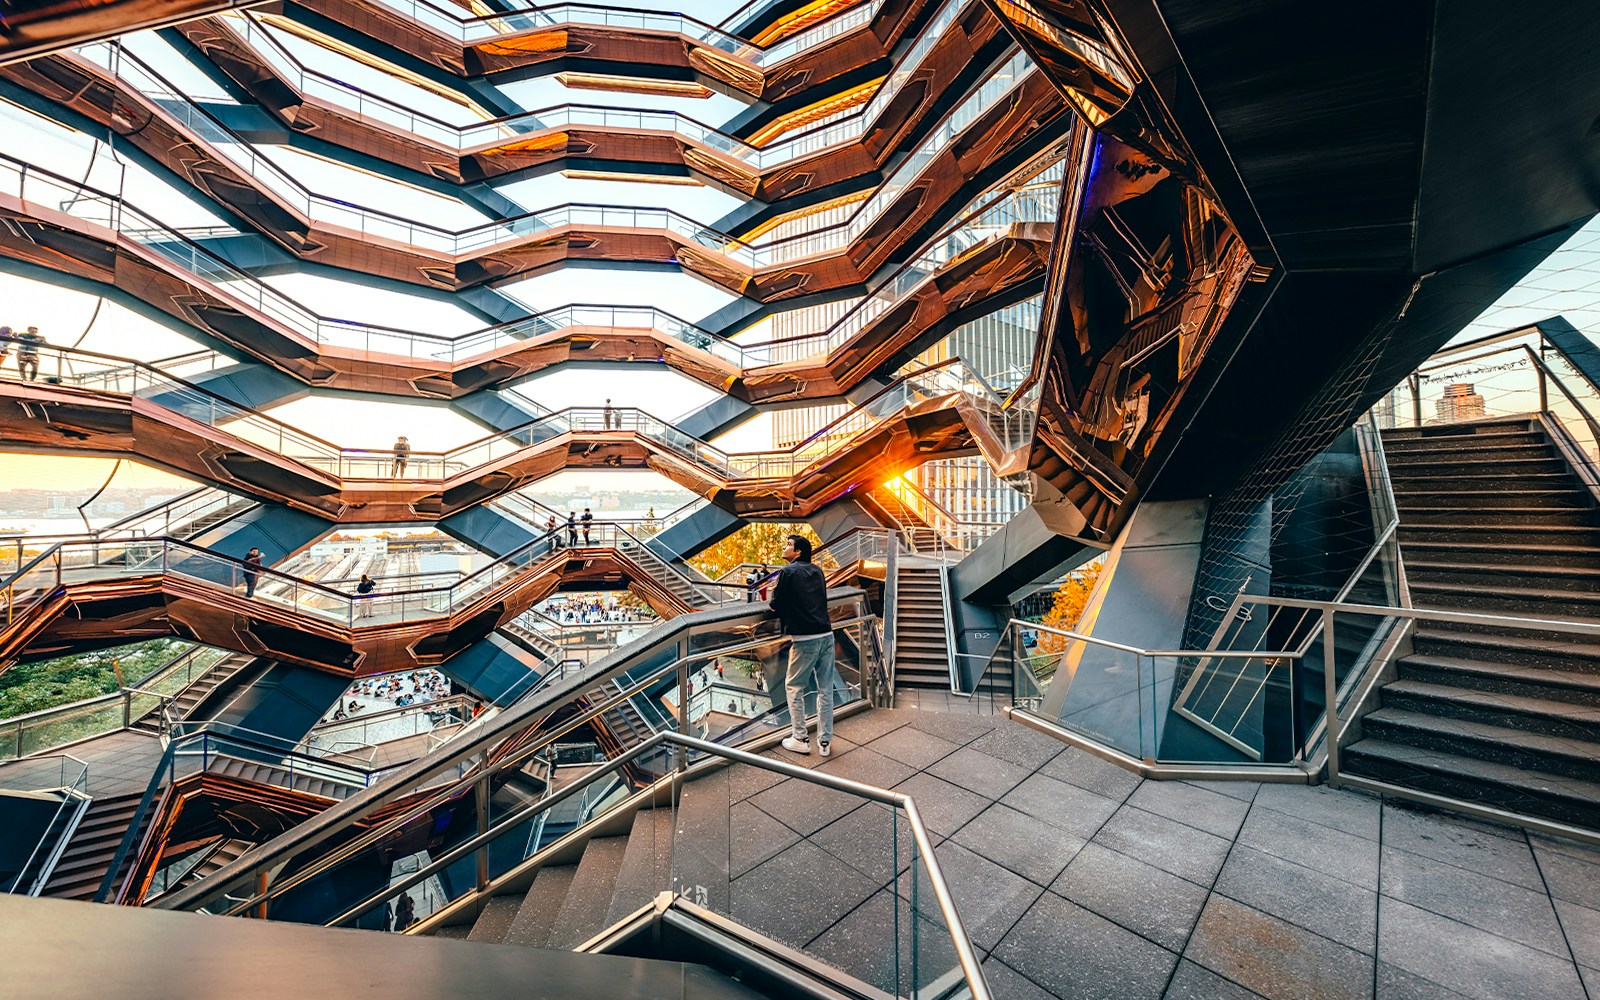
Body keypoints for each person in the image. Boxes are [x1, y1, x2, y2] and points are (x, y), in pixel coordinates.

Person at [771, 534, 836, 757]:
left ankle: (800, 737)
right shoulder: (817, 571)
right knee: (825, 689)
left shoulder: (787, 572)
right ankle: (825, 741)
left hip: (805, 639)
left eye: (789, 545)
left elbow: (775, 604)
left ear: (798, 552)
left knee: (794, 687)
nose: (785, 547)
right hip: (826, 634)